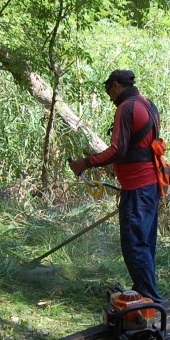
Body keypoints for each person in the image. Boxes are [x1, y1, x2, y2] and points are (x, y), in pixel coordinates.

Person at [69, 69, 164, 302]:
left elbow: (117, 149)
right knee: (145, 244)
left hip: (138, 189)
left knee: (135, 247)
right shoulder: (147, 103)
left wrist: (85, 163)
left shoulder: (127, 107)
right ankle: (145, 296)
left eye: (107, 89)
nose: (108, 96)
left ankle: (151, 304)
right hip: (151, 185)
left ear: (116, 86)